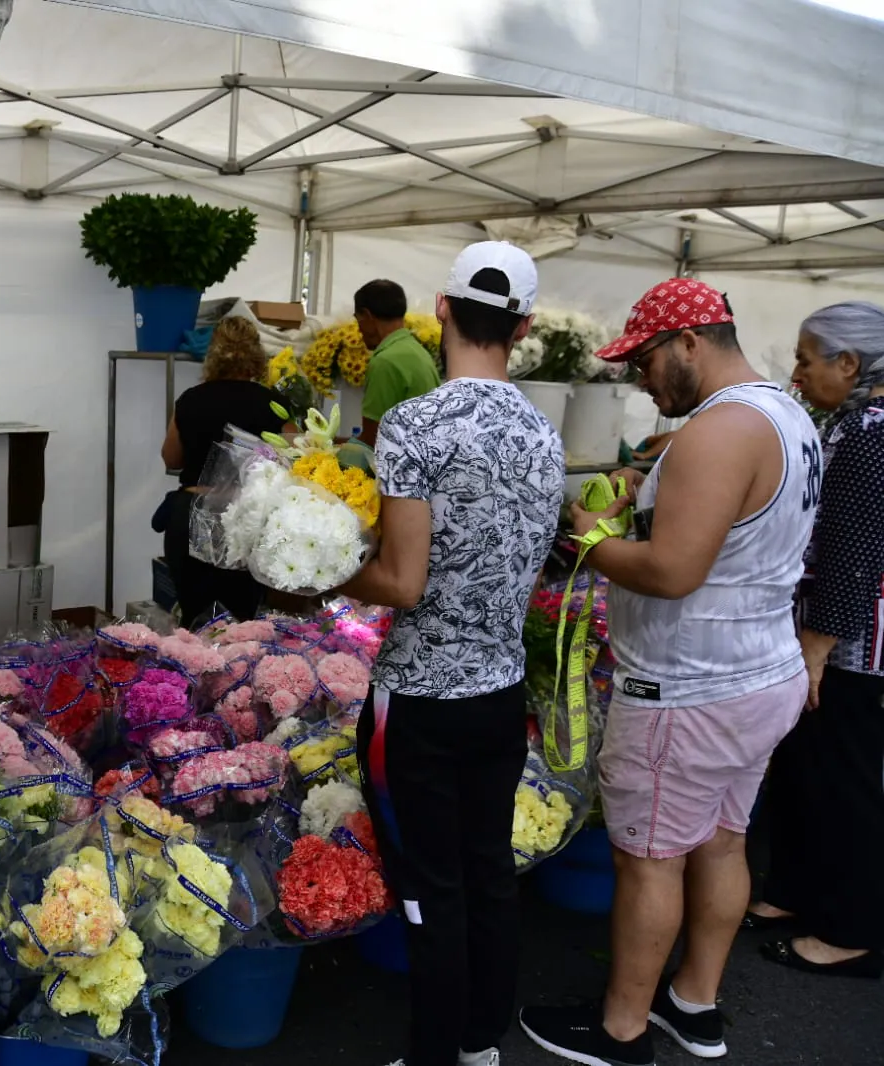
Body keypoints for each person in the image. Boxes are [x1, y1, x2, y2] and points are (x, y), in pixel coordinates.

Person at [520, 279, 820, 1066]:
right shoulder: (788, 414)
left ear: (690, 342)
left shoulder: (720, 432)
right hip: (760, 672)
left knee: (647, 858)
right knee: (723, 843)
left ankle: (619, 1030)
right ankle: (694, 1003)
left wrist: (587, 537)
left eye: (645, 361)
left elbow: (671, 570)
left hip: (688, 688)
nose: (640, 381)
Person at [342, 243, 565, 1066]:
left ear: (439, 308)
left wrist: (321, 572)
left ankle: (435, 1051)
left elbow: (401, 582)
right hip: (500, 694)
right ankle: (480, 1041)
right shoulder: (544, 435)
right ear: (525, 327)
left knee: (431, 885)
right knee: (488, 871)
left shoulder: (415, 424)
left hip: (421, 698)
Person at [748, 301, 884, 980]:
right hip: (839, 635)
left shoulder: (868, 430)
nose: (797, 374)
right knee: (805, 770)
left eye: (805, 358)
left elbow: (851, 554)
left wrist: (816, 648)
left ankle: (851, 930)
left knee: (844, 784)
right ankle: (792, 893)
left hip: (856, 647)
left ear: (847, 364)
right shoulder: (851, 423)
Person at [159, 316, 287, 624]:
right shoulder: (274, 405)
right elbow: (289, 465)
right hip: (247, 517)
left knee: (195, 617)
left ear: (214, 353)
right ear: (257, 354)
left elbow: (171, 458)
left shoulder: (191, 399)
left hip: (192, 513)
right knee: (244, 621)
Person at [354, 278, 442, 448]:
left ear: (367, 316)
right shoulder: (416, 351)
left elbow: (372, 441)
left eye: (358, 321)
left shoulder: (385, 361)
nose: (359, 330)